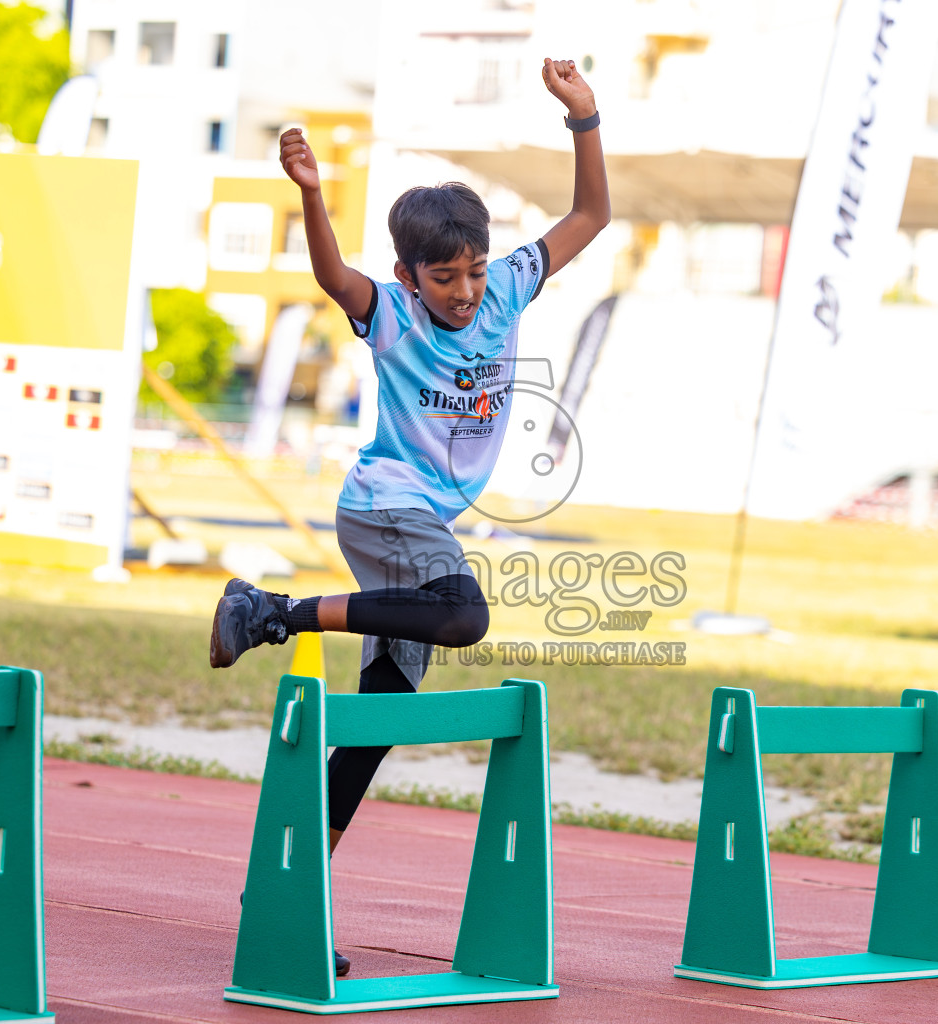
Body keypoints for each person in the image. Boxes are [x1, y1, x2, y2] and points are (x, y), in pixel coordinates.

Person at [210, 58, 609, 976]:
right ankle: (271, 613)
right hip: (386, 507)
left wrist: (584, 119)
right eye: (445, 278)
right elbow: (329, 273)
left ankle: (280, 889)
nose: (464, 293)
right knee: (466, 614)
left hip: (422, 522)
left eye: (470, 273)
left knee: (379, 719)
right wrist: (312, 194)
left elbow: (589, 218)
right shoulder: (390, 314)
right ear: (409, 274)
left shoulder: (508, 286)